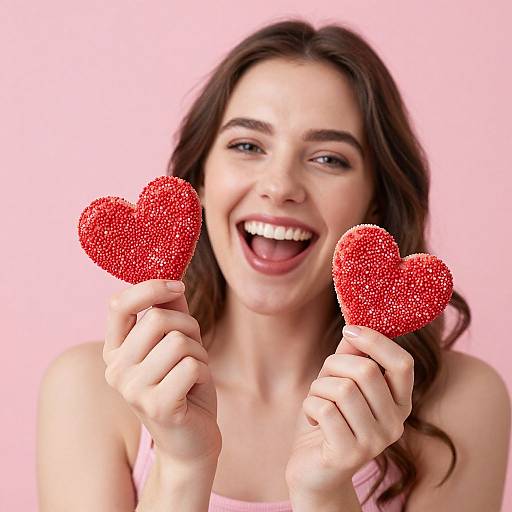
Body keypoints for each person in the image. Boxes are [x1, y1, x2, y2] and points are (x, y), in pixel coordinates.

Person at [36, 18, 511, 512]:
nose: (280, 184)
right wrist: (181, 467)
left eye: (328, 158)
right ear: (200, 180)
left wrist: (325, 493)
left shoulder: (461, 404)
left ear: (375, 203)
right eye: (247, 146)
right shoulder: (88, 393)